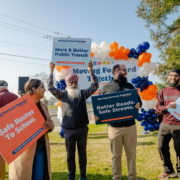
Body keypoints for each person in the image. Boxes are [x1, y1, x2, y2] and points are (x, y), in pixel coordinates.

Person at [48, 61, 99, 180]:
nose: (73, 83)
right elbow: (50, 87)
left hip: (82, 129)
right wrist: (51, 71)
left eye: (75, 81)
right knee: (70, 156)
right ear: (67, 84)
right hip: (68, 129)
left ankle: (83, 176)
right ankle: (71, 176)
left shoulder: (83, 94)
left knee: (82, 155)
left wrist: (91, 71)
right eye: (71, 82)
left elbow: (95, 86)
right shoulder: (62, 95)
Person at [93, 64, 142, 180]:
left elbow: (139, 102)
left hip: (130, 126)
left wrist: (138, 104)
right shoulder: (105, 88)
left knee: (131, 153)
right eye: (124, 70)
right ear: (117, 71)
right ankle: (116, 177)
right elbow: (99, 107)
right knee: (116, 155)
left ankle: (132, 177)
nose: (126, 73)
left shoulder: (130, 86)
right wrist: (96, 116)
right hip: (114, 128)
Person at [9, 79, 54, 180]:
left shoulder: (44, 106)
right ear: (34, 89)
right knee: (24, 176)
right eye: (42, 87)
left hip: (41, 147)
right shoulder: (19, 106)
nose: (44, 89)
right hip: (24, 151)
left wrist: (50, 125)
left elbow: (50, 121)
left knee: (39, 177)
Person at [156, 69, 180, 179]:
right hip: (164, 124)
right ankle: (168, 170)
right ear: (168, 77)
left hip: (178, 124)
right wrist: (167, 107)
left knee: (179, 149)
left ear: (179, 78)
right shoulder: (163, 91)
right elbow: (158, 107)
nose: (173, 78)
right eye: (171, 75)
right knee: (161, 147)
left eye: (175, 76)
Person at [0, 80, 18, 180]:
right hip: (16, 131)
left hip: (3, 132)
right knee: (15, 157)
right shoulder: (16, 97)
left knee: (1, 158)